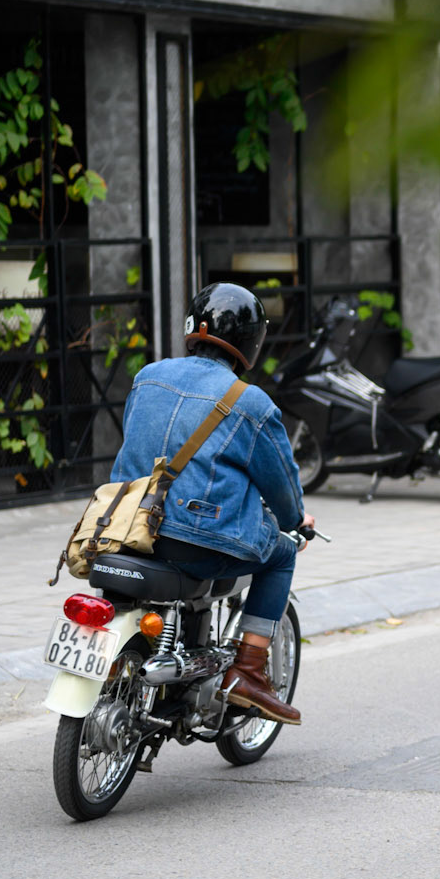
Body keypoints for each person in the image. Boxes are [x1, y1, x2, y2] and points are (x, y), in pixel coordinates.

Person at [111, 282, 311, 726]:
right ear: (251, 343)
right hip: (195, 542)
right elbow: (279, 483)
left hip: (124, 531)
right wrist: (297, 520)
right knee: (280, 553)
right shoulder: (250, 404)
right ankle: (248, 671)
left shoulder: (147, 376)